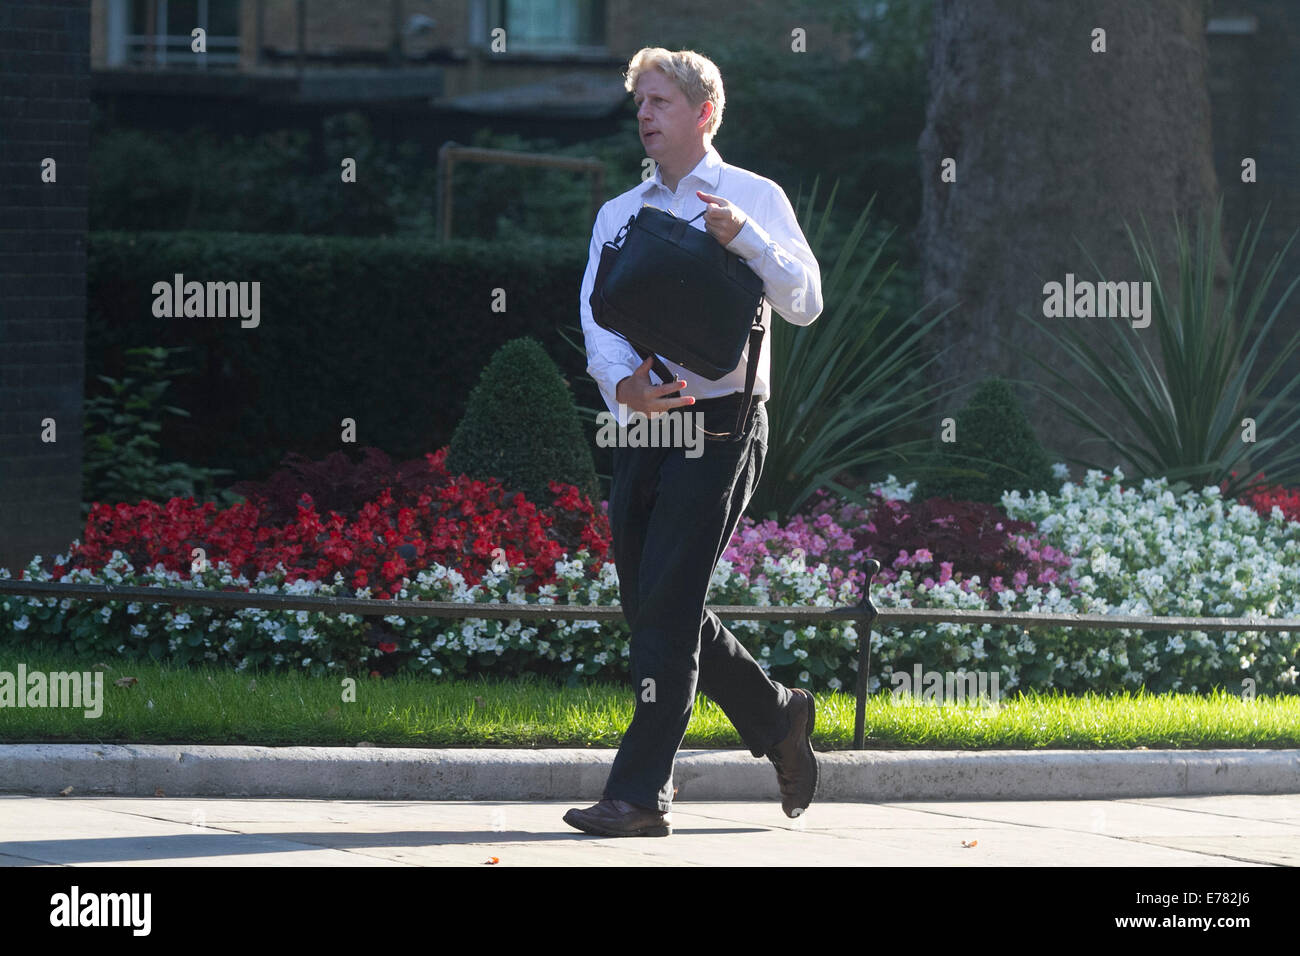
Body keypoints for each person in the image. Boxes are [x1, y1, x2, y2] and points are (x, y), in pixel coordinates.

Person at [566, 47, 824, 838]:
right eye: (639, 101)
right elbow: (596, 316)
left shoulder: (754, 196)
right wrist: (623, 389)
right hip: (647, 426)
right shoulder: (619, 213)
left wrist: (745, 236)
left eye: (661, 102)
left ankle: (639, 795)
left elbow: (805, 300)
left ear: (703, 112)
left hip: (723, 428)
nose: (644, 114)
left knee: (668, 609)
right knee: (651, 605)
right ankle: (778, 718)